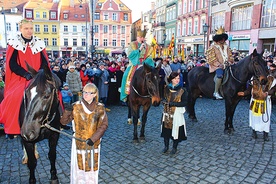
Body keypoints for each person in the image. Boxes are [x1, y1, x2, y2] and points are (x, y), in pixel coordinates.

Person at [0, 18, 49, 137]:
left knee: (53, 91)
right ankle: (12, 126)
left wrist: (40, 73)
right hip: (21, 77)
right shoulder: (14, 43)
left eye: (31, 28)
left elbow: (44, 61)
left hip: (38, 76)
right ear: (21, 29)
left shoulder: (39, 43)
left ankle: (58, 120)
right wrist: (26, 74)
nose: (29, 31)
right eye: (26, 28)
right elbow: (12, 64)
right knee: (15, 96)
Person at [60, 83, 108, 184]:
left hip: (93, 143)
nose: (85, 95)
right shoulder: (76, 106)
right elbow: (63, 122)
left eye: (89, 93)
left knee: (91, 167)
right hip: (78, 142)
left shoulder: (100, 108)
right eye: (84, 92)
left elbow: (103, 126)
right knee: (79, 167)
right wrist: (67, 112)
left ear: (94, 94)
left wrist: (93, 138)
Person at [238, 64, 276, 141]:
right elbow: (249, 89)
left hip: (265, 102)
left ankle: (266, 134)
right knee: (254, 117)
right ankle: (254, 132)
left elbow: (273, 89)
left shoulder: (272, 79)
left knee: (265, 118)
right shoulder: (253, 79)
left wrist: (267, 93)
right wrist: (244, 93)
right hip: (254, 101)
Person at [120, 29, 155, 102]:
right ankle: (126, 94)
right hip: (134, 64)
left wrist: (143, 64)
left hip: (145, 64)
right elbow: (130, 55)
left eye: (142, 37)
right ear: (137, 37)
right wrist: (139, 49)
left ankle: (153, 94)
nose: (141, 38)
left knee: (153, 77)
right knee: (126, 75)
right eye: (139, 37)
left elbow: (150, 57)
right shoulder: (132, 45)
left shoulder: (148, 47)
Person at [161, 71, 188, 154]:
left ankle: (174, 147)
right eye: (175, 78)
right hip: (167, 112)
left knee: (176, 130)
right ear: (171, 79)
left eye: (178, 78)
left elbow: (185, 102)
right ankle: (166, 146)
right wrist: (164, 101)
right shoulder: (166, 88)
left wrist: (175, 104)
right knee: (166, 130)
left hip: (176, 113)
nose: (177, 80)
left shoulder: (182, 90)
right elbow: (163, 97)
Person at [206, 26, 234, 100]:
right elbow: (211, 59)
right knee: (220, 75)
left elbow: (230, 56)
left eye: (224, 38)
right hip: (217, 66)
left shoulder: (227, 47)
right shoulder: (212, 47)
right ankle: (216, 92)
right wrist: (219, 64)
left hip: (227, 65)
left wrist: (230, 61)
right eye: (221, 38)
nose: (223, 40)